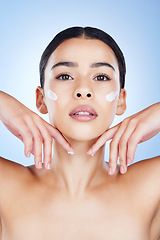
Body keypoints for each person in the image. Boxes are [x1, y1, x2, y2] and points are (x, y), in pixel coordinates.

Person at [0, 26, 160, 240]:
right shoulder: (5, 186)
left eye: (101, 77)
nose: (83, 90)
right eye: (65, 76)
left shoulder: (151, 188)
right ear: (41, 99)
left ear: (121, 101)